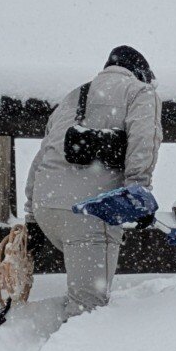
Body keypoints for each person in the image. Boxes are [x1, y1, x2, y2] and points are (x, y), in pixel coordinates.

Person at [25, 45, 162, 320]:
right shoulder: (140, 92)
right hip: (91, 212)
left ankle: (28, 331)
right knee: (88, 310)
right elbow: (143, 142)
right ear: (141, 73)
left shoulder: (73, 96)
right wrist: (138, 193)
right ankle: (59, 348)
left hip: (46, 206)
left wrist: (32, 218)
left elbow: (43, 156)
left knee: (82, 299)